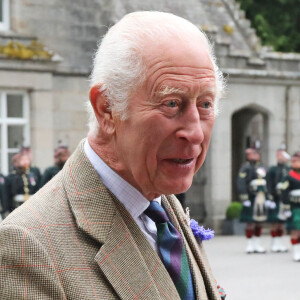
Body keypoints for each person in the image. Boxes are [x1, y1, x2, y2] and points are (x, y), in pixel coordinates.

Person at [0, 12, 226, 299]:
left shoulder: (160, 203)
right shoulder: (26, 247)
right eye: (171, 103)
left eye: (206, 104)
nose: (195, 132)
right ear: (107, 109)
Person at [237, 148, 269, 254]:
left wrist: (268, 198)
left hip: (260, 197)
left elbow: (266, 182)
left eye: (256, 154)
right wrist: (244, 197)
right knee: (250, 222)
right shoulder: (245, 167)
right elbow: (241, 182)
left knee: (259, 222)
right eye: (252, 154)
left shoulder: (261, 167)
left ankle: (257, 243)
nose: (255, 156)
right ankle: (250, 244)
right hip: (250, 197)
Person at [266, 149, 290, 252]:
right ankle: (274, 243)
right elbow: (268, 184)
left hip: (284, 199)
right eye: (281, 156)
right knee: (274, 222)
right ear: (277, 156)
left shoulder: (288, 169)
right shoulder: (272, 169)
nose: (283, 158)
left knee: (281, 222)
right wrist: (269, 198)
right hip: (275, 199)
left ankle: (280, 242)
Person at [281, 151, 300, 261]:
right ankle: (296, 251)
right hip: (293, 206)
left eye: (297, 161)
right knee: (294, 230)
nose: (295, 163)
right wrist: (286, 207)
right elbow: (284, 192)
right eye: (293, 161)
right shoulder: (288, 176)